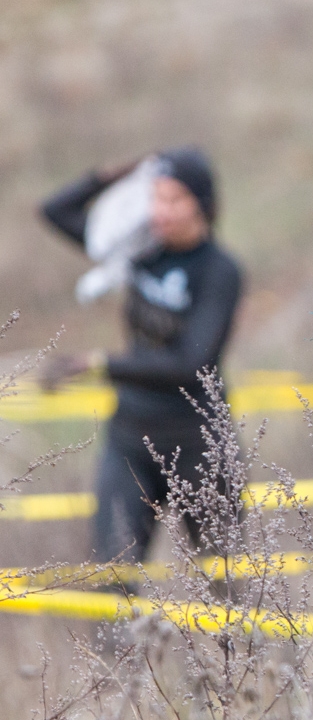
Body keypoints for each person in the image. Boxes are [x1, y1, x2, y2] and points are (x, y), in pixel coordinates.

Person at [39, 149, 243, 564]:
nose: (160, 211)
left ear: (202, 205)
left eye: (174, 199)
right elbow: (56, 211)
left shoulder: (220, 271)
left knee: (222, 578)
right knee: (114, 573)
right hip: (131, 437)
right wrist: (114, 172)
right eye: (154, 197)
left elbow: (190, 364)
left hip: (198, 439)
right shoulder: (138, 249)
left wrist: (100, 364)